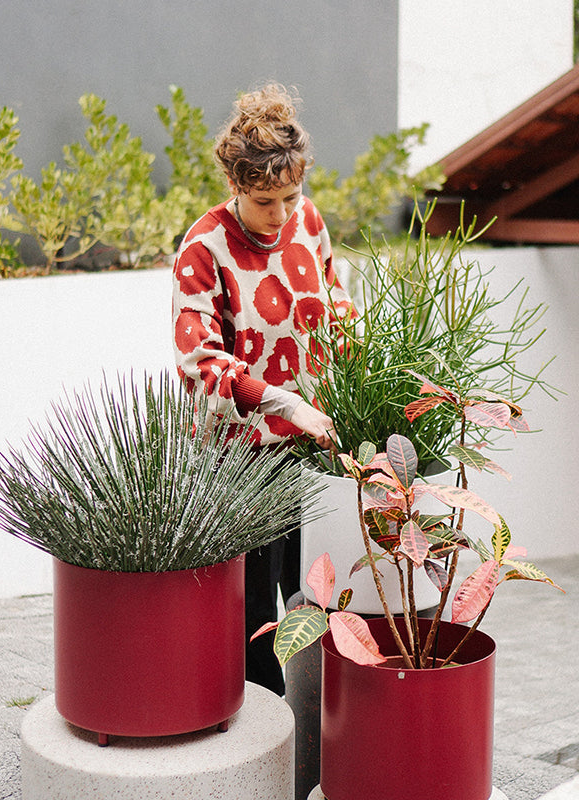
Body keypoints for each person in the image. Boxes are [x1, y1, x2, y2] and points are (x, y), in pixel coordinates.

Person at [172, 83, 353, 695]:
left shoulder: (309, 222)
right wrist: (283, 402)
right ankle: (262, 753)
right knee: (254, 623)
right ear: (235, 186)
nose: (280, 215)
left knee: (318, 601)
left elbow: (336, 308)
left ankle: (318, 735)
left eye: (290, 196)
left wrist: (354, 390)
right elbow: (201, 364)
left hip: (311, 448)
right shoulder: (203, 248)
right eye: (263, 201)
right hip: (242, 461)